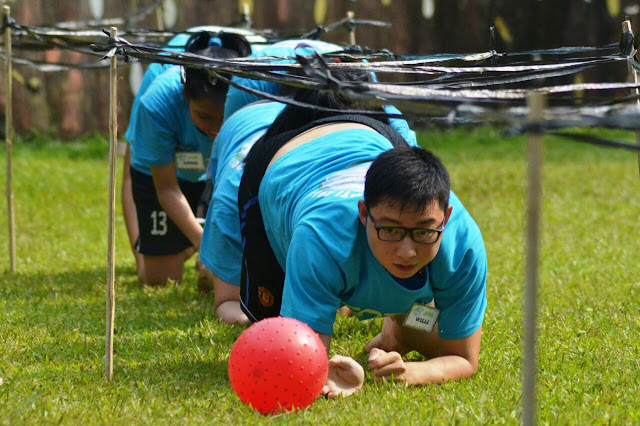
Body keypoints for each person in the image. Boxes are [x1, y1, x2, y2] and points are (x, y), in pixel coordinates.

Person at [122, 30, 252, 286]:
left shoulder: (254, 95)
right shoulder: (156, 104)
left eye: (224, 116)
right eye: (204, 117)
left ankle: (190, 244)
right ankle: (150, 256)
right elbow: (167, 188)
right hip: (165, 175)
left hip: (212, 171)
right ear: (185, 98)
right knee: (158, 279)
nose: (216, 127)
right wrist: (208, 250)